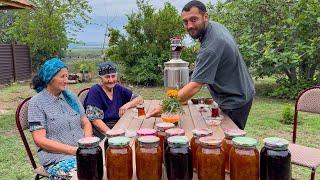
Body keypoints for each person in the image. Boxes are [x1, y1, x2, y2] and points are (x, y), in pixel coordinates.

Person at [147, 0, 255, 130]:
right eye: (185, 22)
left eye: (194, 19)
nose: (189, 26)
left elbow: (194, 87)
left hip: (235, 99)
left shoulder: (211, 46)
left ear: (205, 17)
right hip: (240, 90)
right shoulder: (214, 27)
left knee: (228, 139)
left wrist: (163, 106)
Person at [28, 58, 92, 179]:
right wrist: (74, 150)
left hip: (82, 153)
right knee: (87, 175)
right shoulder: (36, 103)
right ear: (50, 78)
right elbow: (39, 140)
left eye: (67, 76)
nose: (66, 80)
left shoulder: (71, 97)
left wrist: (86, 143)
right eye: (62, 76)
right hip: (57, 159)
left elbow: (85, 122)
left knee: (109, 166)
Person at [84, 61, 143, 139]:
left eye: (113, 76)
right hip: (102, 131)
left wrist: (127, 105)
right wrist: (113, 135)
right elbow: (95, 120)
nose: (111, 80)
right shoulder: (95, 91)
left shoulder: (118, 88)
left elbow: (139, 99)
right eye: (107, 77)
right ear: (101, 78)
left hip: (119, 125)